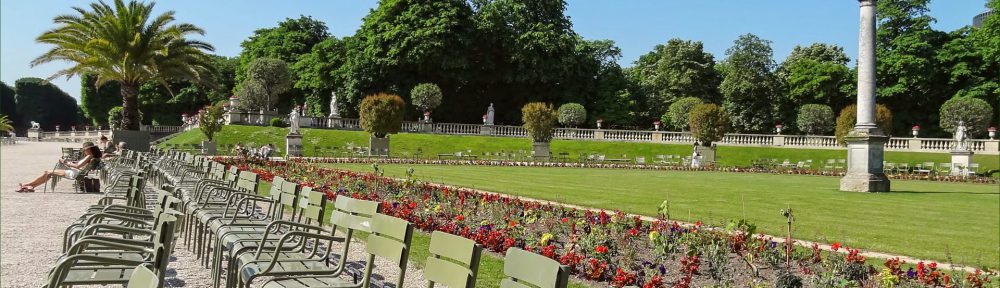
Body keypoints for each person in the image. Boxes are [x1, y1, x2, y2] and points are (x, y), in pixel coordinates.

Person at [17, 144, 102, 192]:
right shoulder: (91, 156)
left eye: (86, 149)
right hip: (76, 172)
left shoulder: (89, 156)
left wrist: (66, 163)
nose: (84, 151)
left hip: (74, 173)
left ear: (91, 150)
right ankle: (30, 186)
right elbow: (79, 165)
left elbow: (78, 166)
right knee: (48, 173)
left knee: (47, 172)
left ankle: (27, 185)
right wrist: (71, 163)